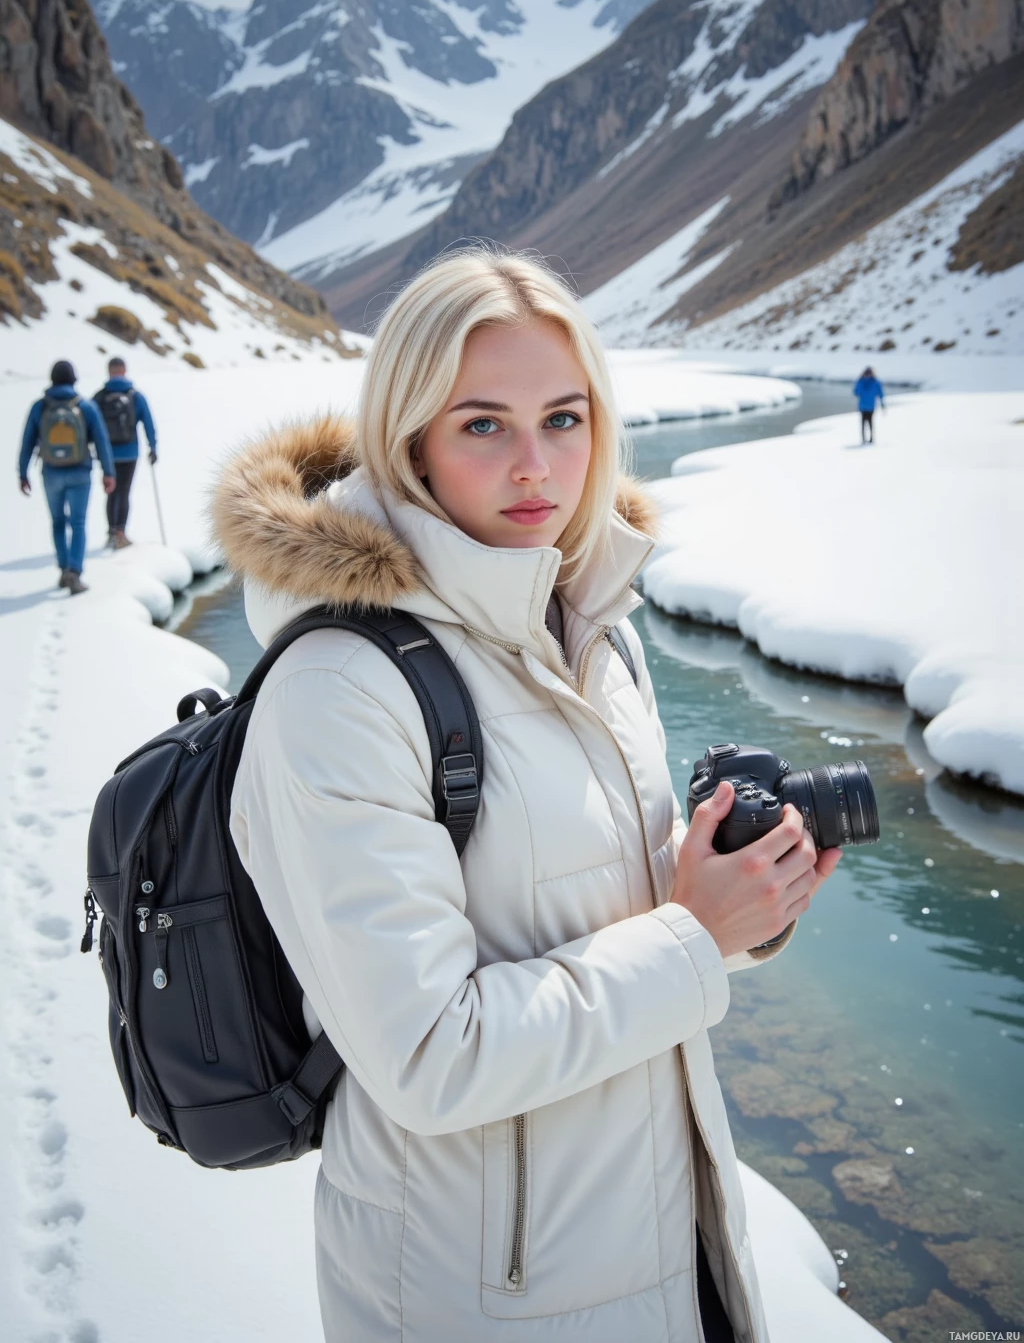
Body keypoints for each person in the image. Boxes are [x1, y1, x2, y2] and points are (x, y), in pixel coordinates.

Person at [213, 249, 841, 1343]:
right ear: (408, 441)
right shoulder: (338, 689)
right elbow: (427, 1056)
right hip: (481, 1293)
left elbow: (622, 926)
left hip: (662, 1242)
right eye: (482, 425)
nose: (535, 468)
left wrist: (741, 905)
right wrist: (695, 937)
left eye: (563, 417)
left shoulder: (596, 630)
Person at [18, 360, 115, 595]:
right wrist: (108, 472)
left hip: (51, 473)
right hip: (80, 471)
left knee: (58, 522)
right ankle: (75, 572)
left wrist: (22, 473)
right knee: (78, 523)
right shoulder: (85, 406)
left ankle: (63, 570)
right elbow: (101, 440)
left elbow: (27, 442)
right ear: (74, 379)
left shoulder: (40, 407)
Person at [92, 357, 157, 548]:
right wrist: (153, 447)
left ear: (109, 371)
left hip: (107, 455)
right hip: (130, 453)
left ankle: (111, 532)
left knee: (112, 493)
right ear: (124, 370)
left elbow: (88, 425)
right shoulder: (135, 396)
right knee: (124, 492)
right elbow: (148, 423)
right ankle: (121, 532)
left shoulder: (99, 397)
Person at [853, 366, 884, 443]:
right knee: (870, 422)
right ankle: (870, 439)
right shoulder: (875, 382)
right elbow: (880, 394)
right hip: (869, 406)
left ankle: (865, 439)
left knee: (865, 423)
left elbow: (856, 392)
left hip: (864, 406)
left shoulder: (861, 381)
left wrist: (860, 380)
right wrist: (882, 404)